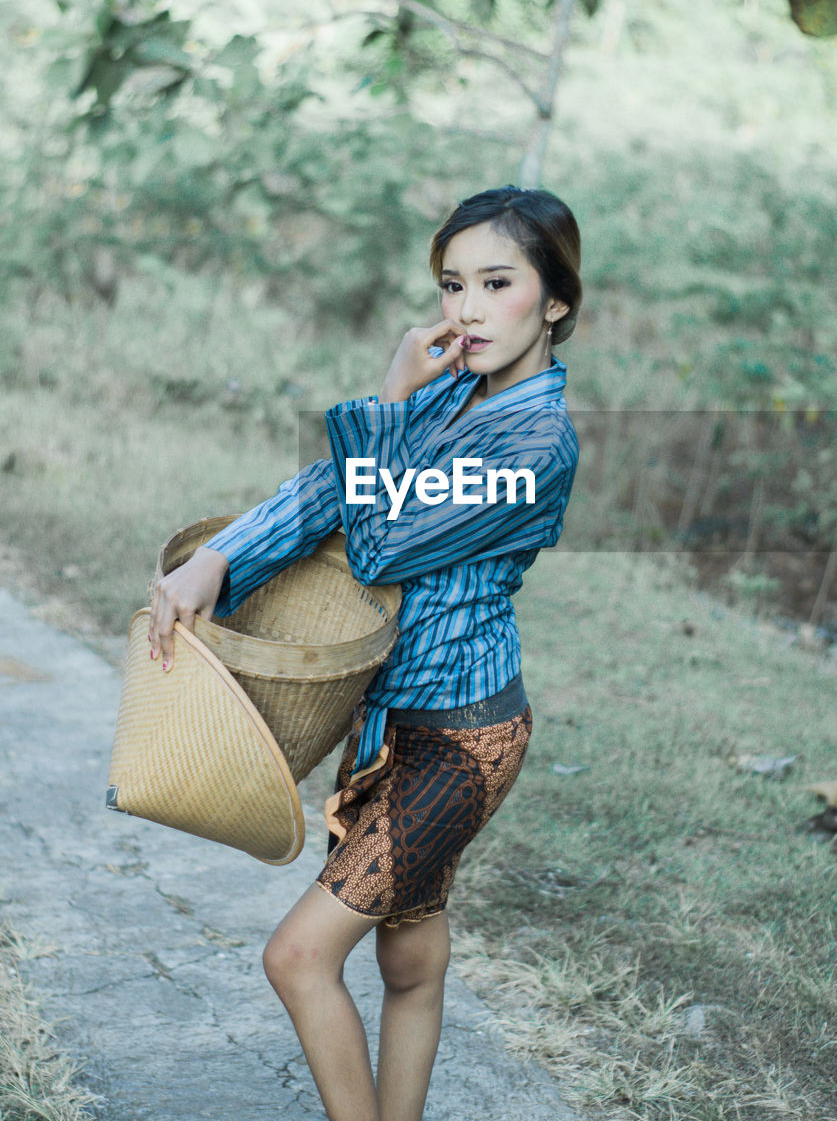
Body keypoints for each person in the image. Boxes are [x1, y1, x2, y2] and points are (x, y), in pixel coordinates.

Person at [148, 184, 582, 1121]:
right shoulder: (451, 397)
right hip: (390, 720)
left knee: (298, 956)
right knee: (408, 952)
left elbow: (380, 539)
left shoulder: (536, 443)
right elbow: (329, 492)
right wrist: (218, 560)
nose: (464, 309)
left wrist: (389, 398)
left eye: (495, 282)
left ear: (553, 300)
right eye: (451, 283)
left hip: (462, 741)